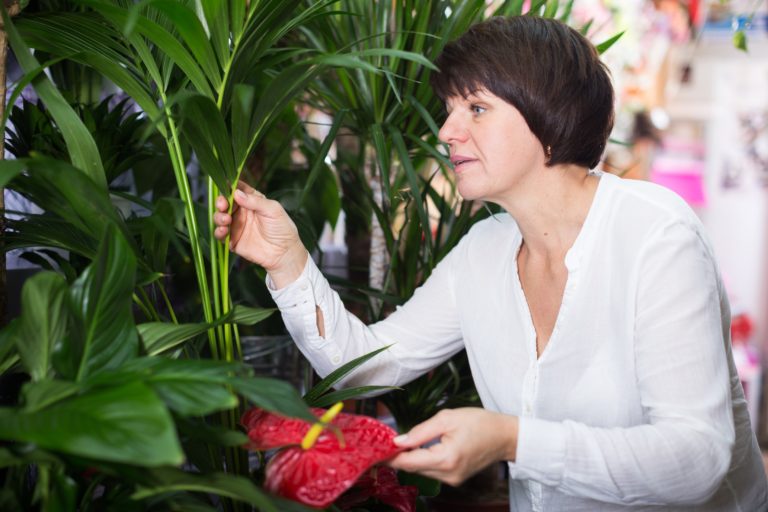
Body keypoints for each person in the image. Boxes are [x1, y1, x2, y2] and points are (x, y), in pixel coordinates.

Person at [214, 15, 768, 511]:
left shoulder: (655, 235)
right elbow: (363, 366)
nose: (446, 132)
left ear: (548, 116)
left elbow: (697, 459)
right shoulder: (485, 251)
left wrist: (512, 439)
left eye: (476, 108)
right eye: (450, 110)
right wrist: (287, 261)